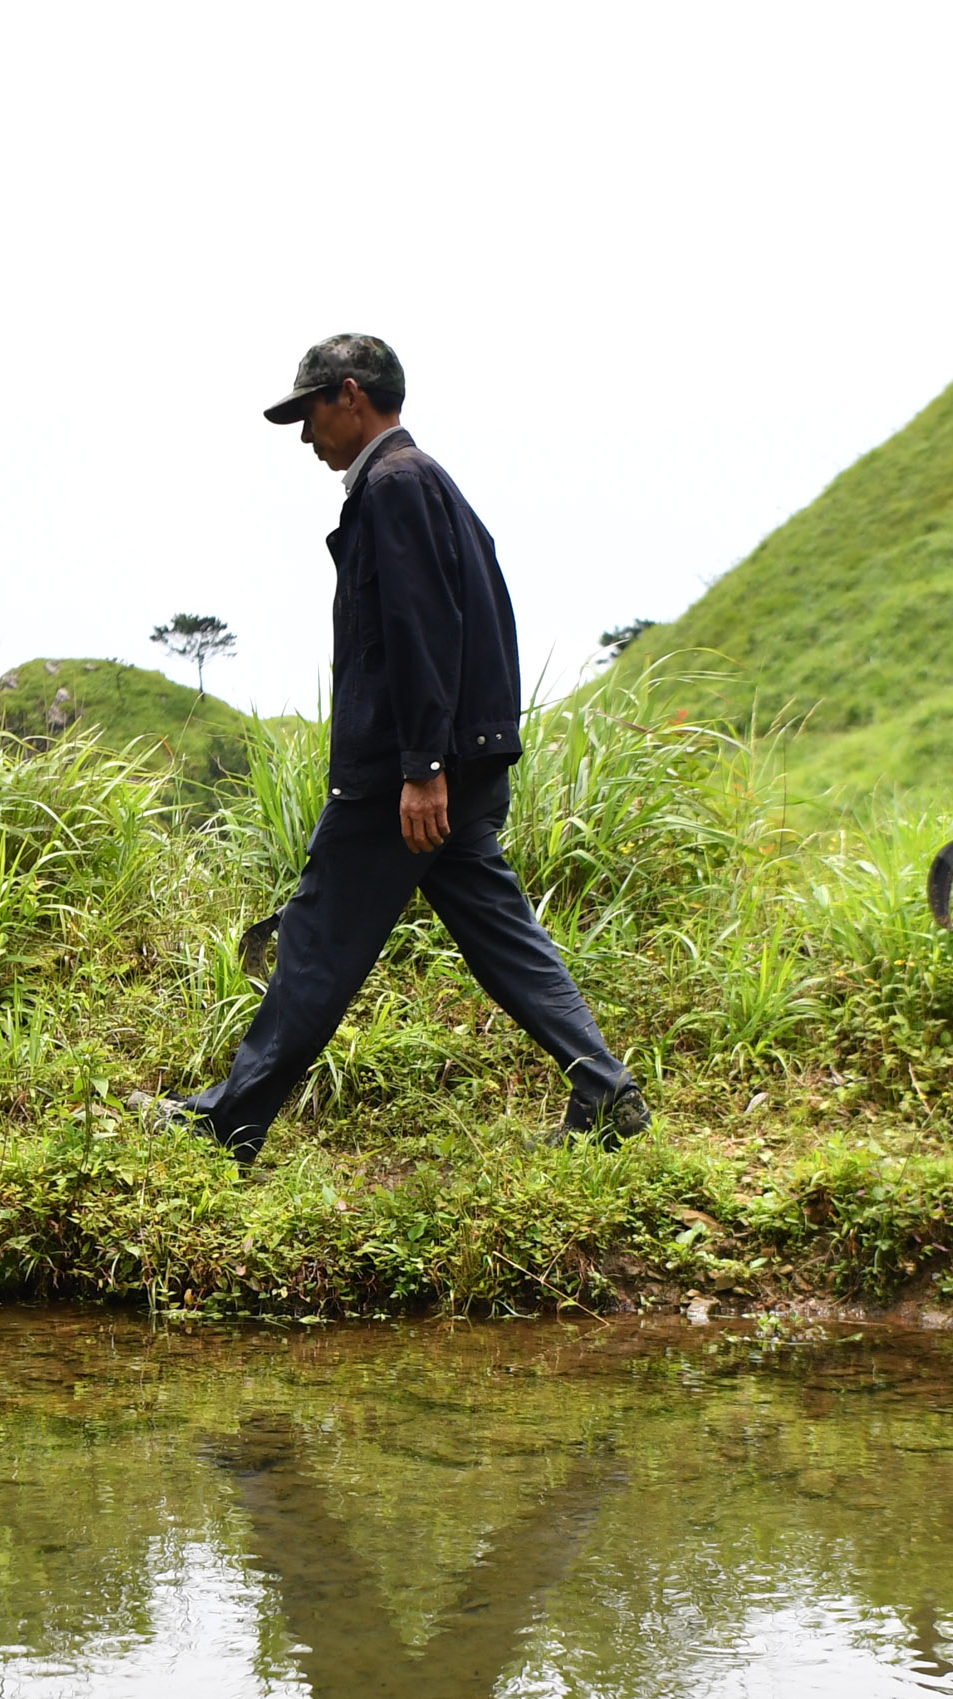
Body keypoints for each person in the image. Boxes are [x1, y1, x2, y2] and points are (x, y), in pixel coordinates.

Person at [161, 334, 645, 1163]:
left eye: (308, 413)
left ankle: (228, 1120)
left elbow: (420, 629)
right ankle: (603, 1086)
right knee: (498, 929)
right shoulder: (422, 483)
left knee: (316, 937)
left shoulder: (393, 484)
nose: (304, 435)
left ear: (350, 395)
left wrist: (422, 768)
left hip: (400, 774)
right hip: (442, 761)